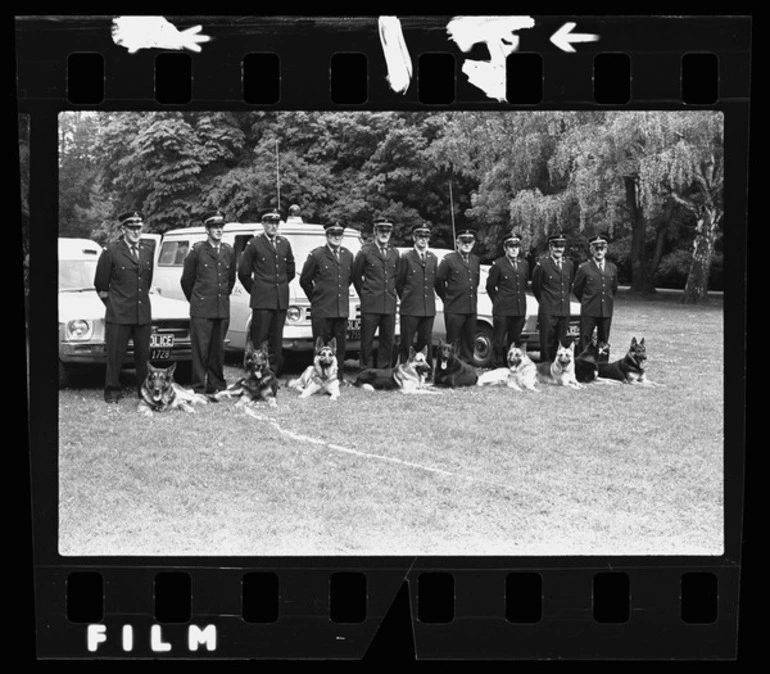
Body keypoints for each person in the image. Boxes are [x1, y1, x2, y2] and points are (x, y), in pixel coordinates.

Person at [93, 210, 154, 403]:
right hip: (119, 313)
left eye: (139, 228)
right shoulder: (111, 251)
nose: (136, 232)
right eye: (132, 228)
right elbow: (101, 284)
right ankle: (112, 391)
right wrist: (114, 304)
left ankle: (143, 391)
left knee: (143, 357)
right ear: (123, 229)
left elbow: (146, 283)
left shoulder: (147, 251)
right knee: (115, 357)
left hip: (141, 313)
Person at [180, 210, 236, 395]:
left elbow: (230, 280)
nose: (219, 230)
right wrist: (197, 299)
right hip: (202, 309)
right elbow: (186, 280)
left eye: (221, 227)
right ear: (207, 229)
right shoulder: (197, 251)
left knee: (217, 350)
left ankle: (216, 384)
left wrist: (221, 297)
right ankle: (198, 385)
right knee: (200, 350)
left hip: (221, 308)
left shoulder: (228, 250)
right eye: (214, 227)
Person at [238, 209, 296, 375]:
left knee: (276, 340)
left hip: (280, 300)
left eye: (276, 223)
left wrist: (280, 286)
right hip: (262, 300)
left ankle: (273, 373)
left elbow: (290, 270)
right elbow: (243, 273)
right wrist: (257, 290)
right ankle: (257, 372)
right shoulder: (254, 244)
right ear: (263, 224)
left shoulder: (284, 243)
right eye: (270, 223)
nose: (273, 226)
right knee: (260, 339)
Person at [299, 222, 355, 380]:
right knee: (320, 347)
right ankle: (317, 377)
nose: (336, 237)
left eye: (339, 234)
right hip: (322, 310)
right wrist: (316, 299)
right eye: (333, 234)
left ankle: (338, 377)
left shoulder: (347, 255)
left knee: (340, 348)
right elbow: (305, 280)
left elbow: (347, 280)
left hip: (340, 310)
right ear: (327, 235)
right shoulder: (317, 255)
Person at [352, 217, 400, 369]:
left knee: (388, 340)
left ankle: (384, 370)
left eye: (387, 231)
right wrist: (365, 294)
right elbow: (355, 276)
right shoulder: (365, 252)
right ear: (375, 232)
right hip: (371, 303)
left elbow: (396, 277)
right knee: (367, 340)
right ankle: (365, 370)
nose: (384, 234)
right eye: (381, 231)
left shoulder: (395, 253)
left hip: (389, 303)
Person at [435, 226, 480, 365]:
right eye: (463, 241)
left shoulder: (475, 260)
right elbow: (438, 281)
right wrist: (447, 298)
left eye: (469, 242)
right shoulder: (449, 260)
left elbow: (475, 282)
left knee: (469, 341)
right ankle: (451, 367)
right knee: (453, 342)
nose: (466, 244)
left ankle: (466, 367)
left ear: (473, 244)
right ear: (457, 243)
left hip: (471, 308)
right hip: (454, 308)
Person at [396, 222, 438, 368]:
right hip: (410, 307)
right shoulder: (406, 257)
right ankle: (403, 371)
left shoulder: (433, 258)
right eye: (420, 236)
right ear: (414, 237)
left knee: (426, 342)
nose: (423, 239)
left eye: (426, 236)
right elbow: (399, 283)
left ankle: (426, 372)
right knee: (407, 343)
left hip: (428, 308)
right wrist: (408, 298)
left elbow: (434, 282)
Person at [486, 231, 530, 367]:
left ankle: (511, 364)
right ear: (505, 248)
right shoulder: (498, 265)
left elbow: (523, 285)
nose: (514, 249)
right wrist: (498, 301)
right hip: (503, 309)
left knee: (514, 340)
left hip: (518, 309)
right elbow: (490, 286)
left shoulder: (524, 264)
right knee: (499, 340)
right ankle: (497, 365)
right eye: (511, 246)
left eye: (516, 246)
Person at [572, 233, 619, 357]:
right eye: (596, 249)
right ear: (591, 250)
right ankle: (583, 368)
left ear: (606, 249)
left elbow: (613, 289)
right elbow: (577, 289)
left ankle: (602, 368)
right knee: (585, 341)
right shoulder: (584, 268)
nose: (599, 251)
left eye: (601, 248)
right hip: (589, 310)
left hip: (606, 311)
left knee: (603, 342)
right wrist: (587, 301)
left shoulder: (612, 268)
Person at [531, 231, 575, 362]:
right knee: (546, 343)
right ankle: (545, 368)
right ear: (550, 247)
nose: (559, 249)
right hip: (548, 310)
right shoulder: (542, 265)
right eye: (556, 246)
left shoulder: (569, 265)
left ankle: (558, 368)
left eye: (561, 246)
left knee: (561, 343)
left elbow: (568, 287)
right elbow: (536, 288)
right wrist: (545, 301)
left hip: (563, 310)